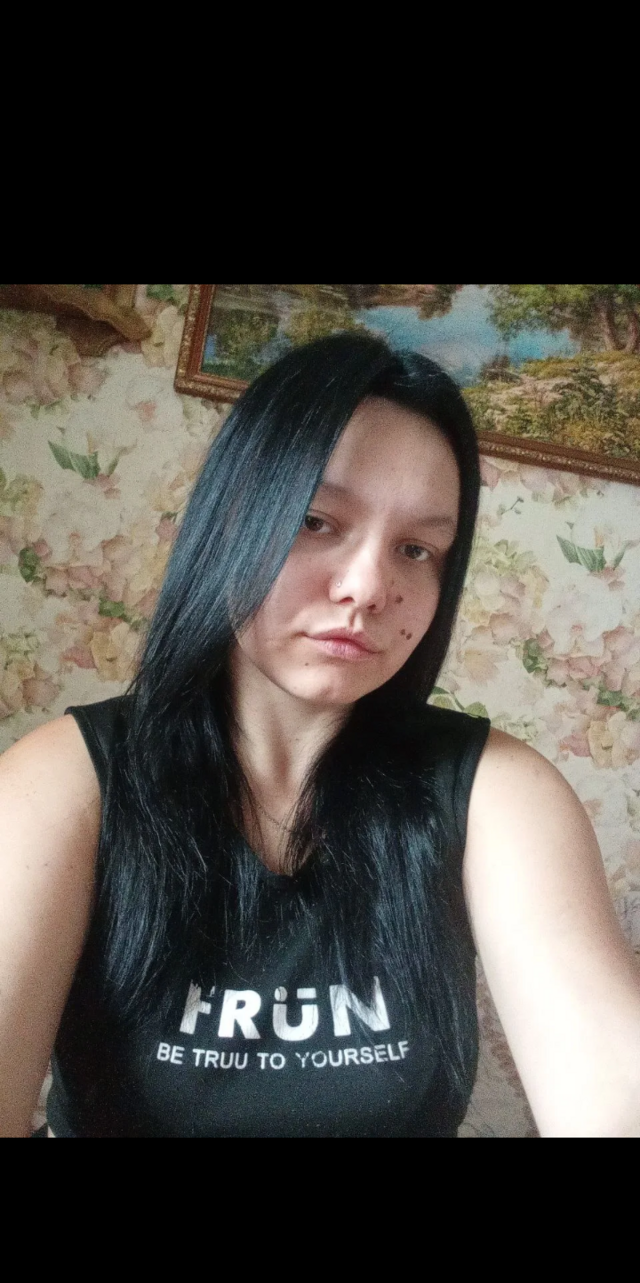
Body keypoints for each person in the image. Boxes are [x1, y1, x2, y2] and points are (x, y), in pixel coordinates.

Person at [2, 332, 640, 1137]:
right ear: (231, 523)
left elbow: (611, 1081)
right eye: (315, 520)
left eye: (416, 548)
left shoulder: (496, 794)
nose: (369, 587)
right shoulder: (65, 784)